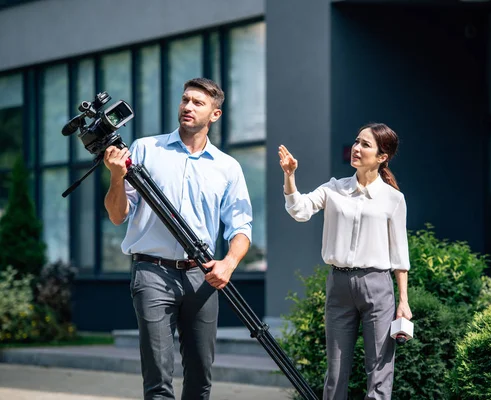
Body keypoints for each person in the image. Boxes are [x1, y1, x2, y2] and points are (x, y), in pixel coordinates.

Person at [103, 77, 252, 400]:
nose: (188, 107)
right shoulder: (145, 149)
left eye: (198, 103)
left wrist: (229, 263)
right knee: (158, 377)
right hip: (152, 272)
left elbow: (241, 228)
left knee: (200, 377)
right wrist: (116, 177)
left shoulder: (227, 167)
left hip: (203, 276)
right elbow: (117, 215)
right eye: (185, 99)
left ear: (215, 115)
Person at [278, 122, 412, 400]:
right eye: (356, 141)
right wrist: (290, 176)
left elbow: (400, 255)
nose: (356, 148)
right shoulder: (334, 189)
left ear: (382, 156)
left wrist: (403, 301)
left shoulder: (393, 199)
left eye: (365, 144)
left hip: (377, 285)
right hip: (338, 284)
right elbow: (299, 210)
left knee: (379, 369)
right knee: (336, 371)